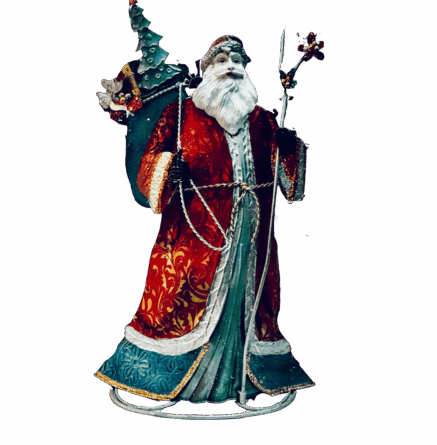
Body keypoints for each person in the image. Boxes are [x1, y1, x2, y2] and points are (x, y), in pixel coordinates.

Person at [95, 35, 315, 403]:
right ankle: (180, 382)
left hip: (251, 232)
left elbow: (286, 183)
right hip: (194, 234)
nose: (231, 66)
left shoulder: (263, 120)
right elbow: (150, 162)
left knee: (247, 300)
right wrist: (169, 170)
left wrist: (288, 147)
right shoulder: (180, 113)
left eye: (238, 60)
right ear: (206, 68)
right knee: (178, 302)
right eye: (221, 59)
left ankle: (237, 380)